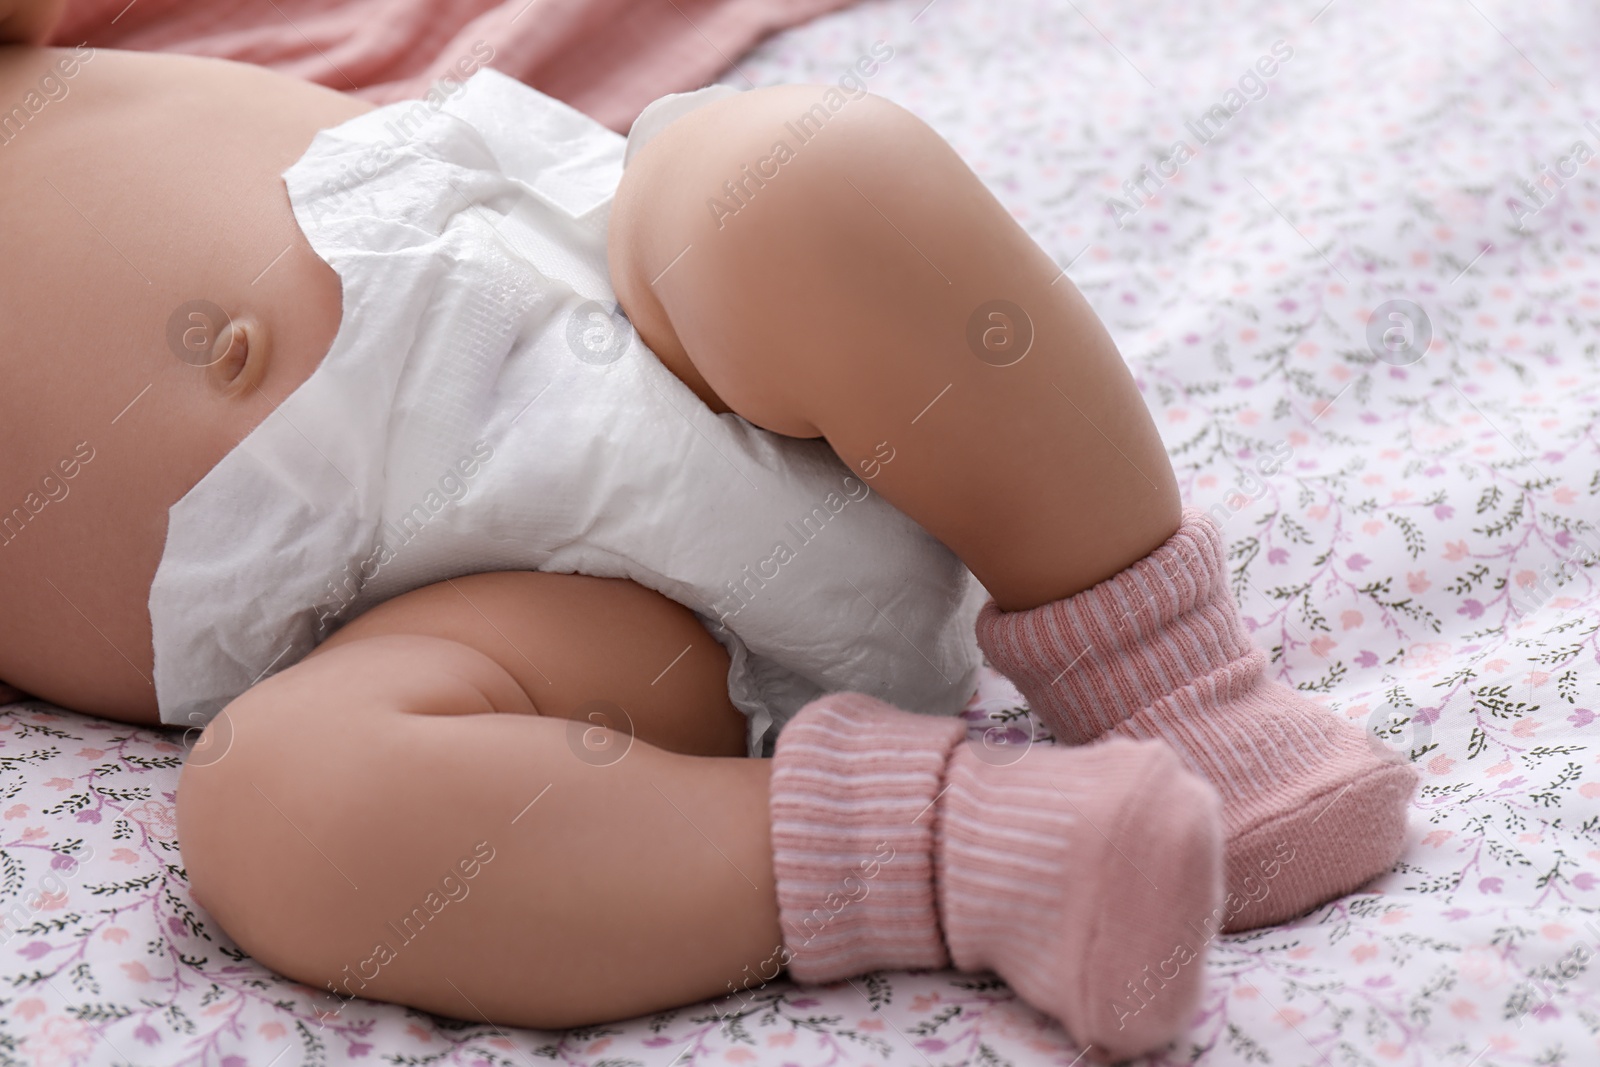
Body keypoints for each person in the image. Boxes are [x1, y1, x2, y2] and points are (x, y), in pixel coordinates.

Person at [0, 2, 1416, 1059]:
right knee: (281, 810)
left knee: (816, 175)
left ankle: (1182, 687)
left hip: (633, 300)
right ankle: (978, 850)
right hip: (488, 623)